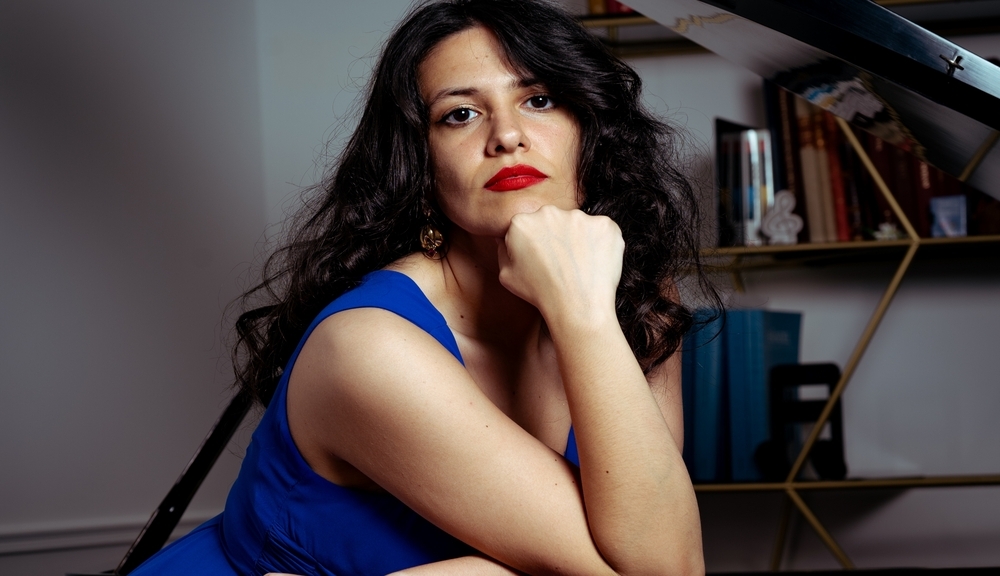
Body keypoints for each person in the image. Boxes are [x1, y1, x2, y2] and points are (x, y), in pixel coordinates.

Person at [131, 0, 718, 574]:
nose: (507, 136)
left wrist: (580, 308)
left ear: (592, 129)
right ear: (420, 161)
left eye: (539, 100)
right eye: (460, 114)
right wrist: (585, 317)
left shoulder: (635, 292)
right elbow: (663, 570)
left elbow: (658, 550)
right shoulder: (368, 348)